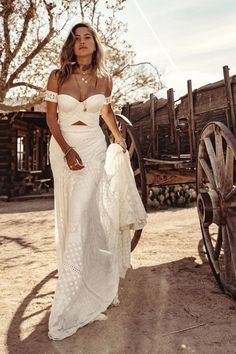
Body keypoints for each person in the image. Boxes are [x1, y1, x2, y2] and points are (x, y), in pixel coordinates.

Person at [45, 22, 147, 340]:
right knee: (72, 213)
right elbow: (50, 117)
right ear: (71, 46)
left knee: (83, 215)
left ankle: (78, 288)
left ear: (95, 43)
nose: (82, 42)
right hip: (63, 145)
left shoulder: (105, 79)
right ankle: (74, 279)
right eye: (76, 39)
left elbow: (105, 112)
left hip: (93, 146)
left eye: (87, 37)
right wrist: (66, 150)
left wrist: (118, 139)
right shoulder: (57, 76)